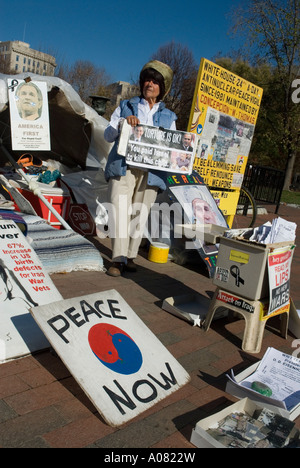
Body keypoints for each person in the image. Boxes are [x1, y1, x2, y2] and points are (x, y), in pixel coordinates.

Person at [104, 60, 177, 277]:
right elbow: (107, 135)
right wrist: (122, 124)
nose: (150, 84)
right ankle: (117, 259)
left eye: (155, 81)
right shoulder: (126, 106)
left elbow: (173, 148)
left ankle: (131, 256)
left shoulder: (170, 117)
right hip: (123, 167)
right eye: (147, 79)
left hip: (152, 173)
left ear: (161, 88)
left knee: (139, 213)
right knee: (119, 211)